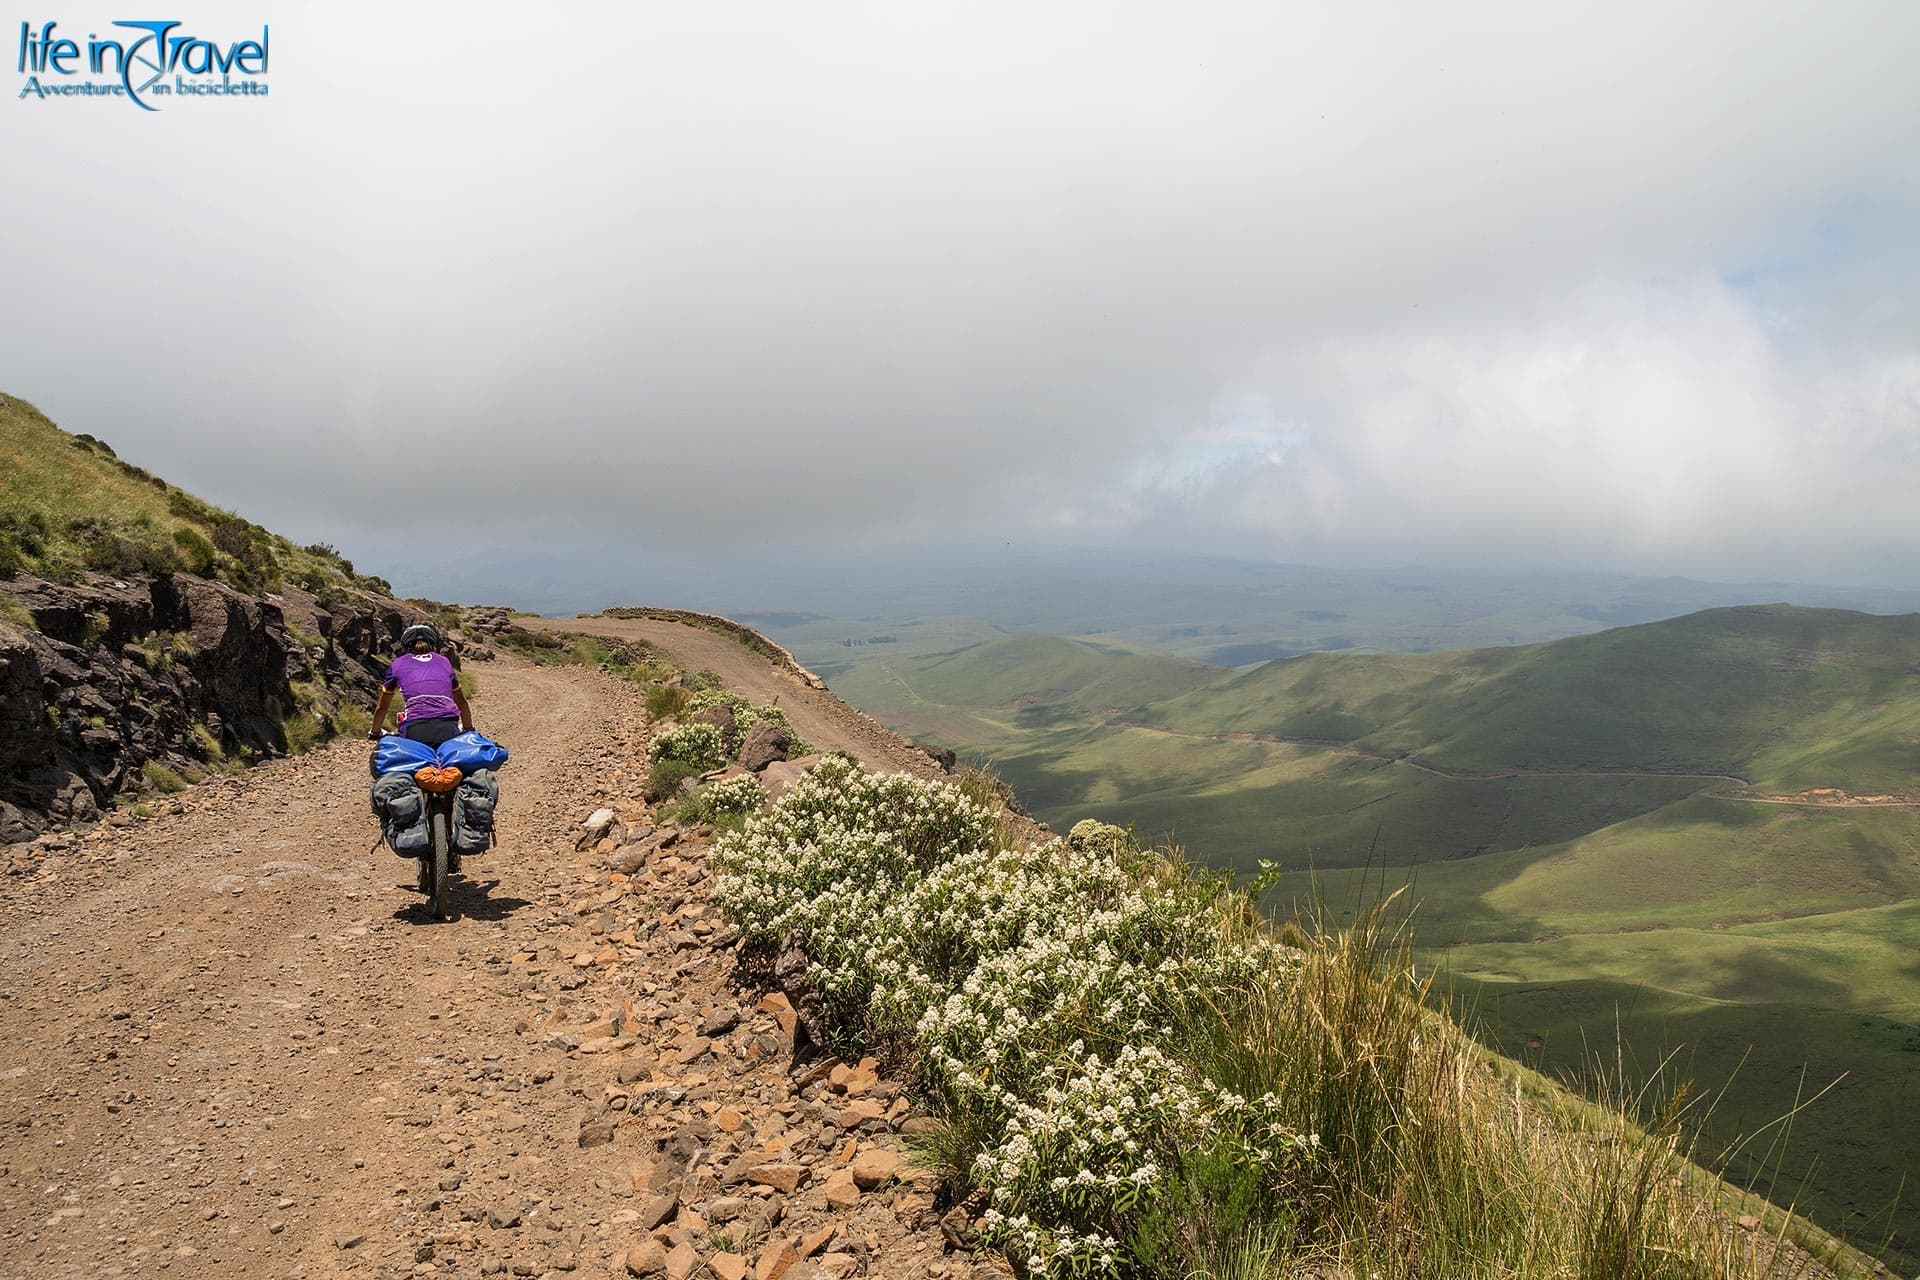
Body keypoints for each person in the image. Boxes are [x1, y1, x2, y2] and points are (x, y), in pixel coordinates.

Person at [368, 623, 474, 747]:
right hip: (448, 726)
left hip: (414, 728)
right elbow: (461, 702)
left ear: (406, 646)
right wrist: (468, 728)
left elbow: (382, 707)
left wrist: (375, 732)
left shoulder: (398, 664)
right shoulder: (444, 662)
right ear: (432, 644)